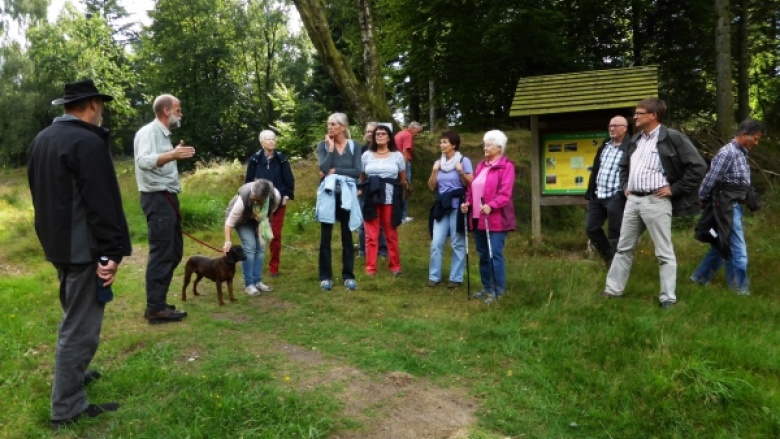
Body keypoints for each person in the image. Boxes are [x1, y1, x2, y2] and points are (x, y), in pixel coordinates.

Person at [28, 79, 132, 429]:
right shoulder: (86, 141)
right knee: (81, 327)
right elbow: (100, 202)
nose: (101, 111)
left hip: (58, 244)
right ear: (91, 105)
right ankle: (67, 406)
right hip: (83, 248)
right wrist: (111, 251)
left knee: (74, 315)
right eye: (100, 105)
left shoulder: (43, 139)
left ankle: (75, 376)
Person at [601, 98, 707, 308]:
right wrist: (625, 185)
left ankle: (668, 298)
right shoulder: (636, 140)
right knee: (623, 248)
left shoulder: (673, 138)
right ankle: (612, 291)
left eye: (640, 113)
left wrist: (674, 189)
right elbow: (624, 166)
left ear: (653, 115)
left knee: (664, 252)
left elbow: (698, 167)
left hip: (656, 201)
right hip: (633, 201)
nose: (635, 116)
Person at [134, 94, 194, 323]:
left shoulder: (163, 135)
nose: (181, 114)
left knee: (174, 251)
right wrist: (172, 155)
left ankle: (158, 302)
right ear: (166, 111)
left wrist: (172, 153)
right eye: (178, 110)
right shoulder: (148, 132)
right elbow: (143, 161)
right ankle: (156, 309)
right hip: (156, 199)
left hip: (167, 198)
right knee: (161, 253)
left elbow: (159, 161)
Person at [690, 119, 764, 295]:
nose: (757, 142)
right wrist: (702, 197)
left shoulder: (742, 153)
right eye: (755, 138)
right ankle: (739, 290)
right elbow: (711, 178)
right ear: (744, 134)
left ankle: (699, 279)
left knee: (722, 245)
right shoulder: (728, 153)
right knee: (738, 248)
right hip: (726, 206)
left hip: (735, 204)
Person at [460, 130, 515, 304]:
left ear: (499, 148)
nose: (486, 147)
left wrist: (492, 205)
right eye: (485, 144)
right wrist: (467, 203)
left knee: (494, 254)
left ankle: (498, 290)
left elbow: (505, 193)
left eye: (489, 144)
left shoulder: (507, 167)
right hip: (477, 216)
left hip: (496, 218)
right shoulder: (481, 166)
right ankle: (486, 288)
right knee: (483, 254)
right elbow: (472, 188)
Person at [315, 113, 362, 291]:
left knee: (347, 236)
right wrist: (331, 149)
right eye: (329, 124)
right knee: (325, 237)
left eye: (334, 124)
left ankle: (348, 275)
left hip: (347, 195)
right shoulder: (323, 145)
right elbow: (324, 168)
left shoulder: (355, 145)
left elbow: (357, 171)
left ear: (343, 127)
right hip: (329, 195)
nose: (330, 127)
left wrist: (335, 171)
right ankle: (325, 276)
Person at [245, 130, 295, 277]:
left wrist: (287, 196)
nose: (272, 142)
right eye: (268, 139)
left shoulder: (281, 159)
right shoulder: (255, 159)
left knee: (275, 235)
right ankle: (255, 265)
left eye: (274, 139)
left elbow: (289, 179)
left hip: (278, 203)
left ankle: (274, 268)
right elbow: (248, 181)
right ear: (262, 142)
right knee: (257, 234)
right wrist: (251, 199)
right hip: (259, 203)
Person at [427, 131, 473, 288]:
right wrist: (434, 171)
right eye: (441, 142)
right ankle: (434, 277)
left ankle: (456, 278)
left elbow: (470, 184)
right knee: (436, 242)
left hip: (458, 206)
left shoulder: (463, 160)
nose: (442, 145)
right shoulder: (438, 163)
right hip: (442, 205)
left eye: (445, 142)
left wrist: (460, 171)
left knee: (457, 242)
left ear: (454, 144)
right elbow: (432, 186)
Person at [360, 124, 408, 275]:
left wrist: (402, 196)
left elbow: (402, 179)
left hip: (390, 198)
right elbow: (362, 177)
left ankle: (395, 266)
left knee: (391, 233)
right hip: (371, 197)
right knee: (371, 234)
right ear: (373, 137)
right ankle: (370, 267)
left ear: (389, 137)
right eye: (377, 134)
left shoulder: (397, 156)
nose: (380, 136)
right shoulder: (366, 155)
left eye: (383, 133)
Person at [585, 116, 630, 264]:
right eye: (610, 126)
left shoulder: (631, 147)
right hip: (598, 195)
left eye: (616, 126)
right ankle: (609, 258)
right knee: (591, 228)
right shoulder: (605, 144)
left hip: (616, 195)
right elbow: (597, 168)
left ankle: (618, 266)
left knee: (615, 233)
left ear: (625, 128)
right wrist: (591, 190)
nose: (612, 128)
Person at [224, 179, 280, 295]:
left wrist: (261, 226)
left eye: (258, 200)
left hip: (260, 219)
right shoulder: (243, 200)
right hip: (241, 220)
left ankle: (257, 281)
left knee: (260, 247)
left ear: (265, 198)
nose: (254, 201)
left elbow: (271, 212)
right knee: (250, 246)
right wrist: (228, 241)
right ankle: (249, 284)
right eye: (252, 198)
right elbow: (229, 223)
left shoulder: (275, 196)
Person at [357, 122, 388, 258]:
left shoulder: (386, 150)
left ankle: (382, 250)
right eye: (368, 131)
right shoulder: (362, 150)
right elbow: (359, 171)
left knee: (380, 221)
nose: (370, 134)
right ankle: (363, 250)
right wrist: (359, 186)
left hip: (381, 188)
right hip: (365, 188)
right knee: (363, 220)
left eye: (372, 131)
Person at [395, 121, 422, 222]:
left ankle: (397, 214)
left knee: (398, 189)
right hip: (404, 163)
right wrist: (404, 168)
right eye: (417, 131)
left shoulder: (399, 133)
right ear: (412, 128)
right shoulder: (407, 135)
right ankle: (403, 216)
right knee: (406, 189)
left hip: (395, 163)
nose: (418, 134)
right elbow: (405, 152)